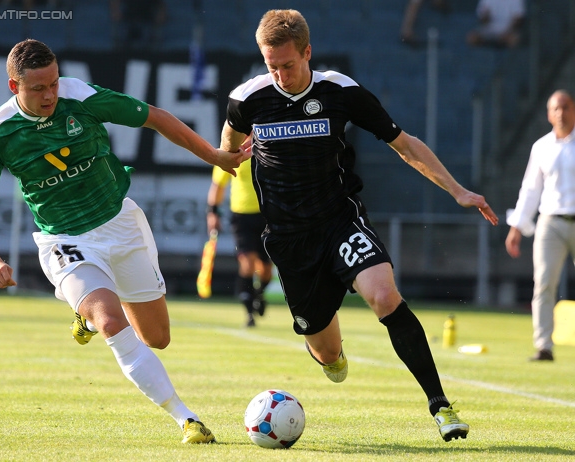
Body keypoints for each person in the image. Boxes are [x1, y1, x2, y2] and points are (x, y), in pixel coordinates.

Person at [220, 9, 499, 442]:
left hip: (339, 222)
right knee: (327, 353)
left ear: (307, 52)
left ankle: (441, 407)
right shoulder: (246, 99)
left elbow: (403, 144)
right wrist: (230, 156)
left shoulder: (340, 91)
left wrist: (457, 190)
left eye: (288, 65)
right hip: (291, 241)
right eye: (271, 66)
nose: (279, 75)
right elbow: (229, 143)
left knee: (385, 295)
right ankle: (331, 354)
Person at [0, 39, 248, 444]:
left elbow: (156, 117)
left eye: (53, 83)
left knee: (157, 338)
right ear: (14, 87)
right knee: (113, 322)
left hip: (121, 223)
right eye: (38, 88)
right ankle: (186, 419)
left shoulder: (81, 96)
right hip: (63, 239)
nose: (50, 95)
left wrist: (213, 155)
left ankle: (86, 313)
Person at [505, 90, 575, 362]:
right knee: (544, 284)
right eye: (556, 108)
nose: (561, 113)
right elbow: (530, 189)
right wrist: (516, 228)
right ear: (548, 114)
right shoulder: (541, 146)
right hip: (550, 222)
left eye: (566, 107)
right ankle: (544, 345)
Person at [206, 149, 273, 328]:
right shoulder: (230, 152)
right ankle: (249, 312)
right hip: (241, 217)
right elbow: (218, 185)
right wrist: (213, 213)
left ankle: (258, 294)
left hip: (267, 216)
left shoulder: (266, 149)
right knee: (248, 263)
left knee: (266, 270)